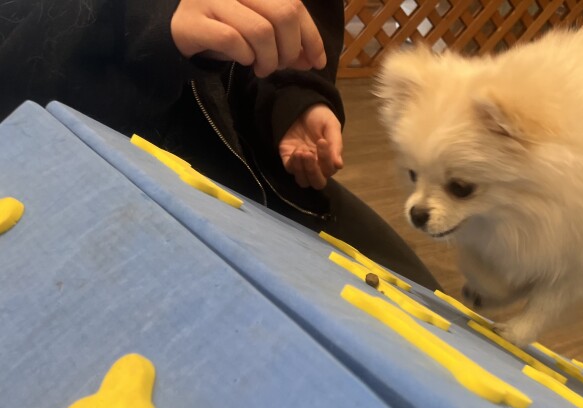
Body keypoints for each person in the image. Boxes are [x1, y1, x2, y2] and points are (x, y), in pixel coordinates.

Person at [0, 0, 439, 289]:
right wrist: (150, 19)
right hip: (75, 180)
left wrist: (292, 96)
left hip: (258, 167)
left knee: (425, 306)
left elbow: (294, 19)